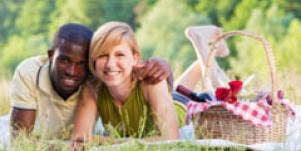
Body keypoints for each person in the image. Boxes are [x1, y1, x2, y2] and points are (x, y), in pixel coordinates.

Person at [10, 23, 172, 139]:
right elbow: (79, 140)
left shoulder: (146, 81)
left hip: (174, 105)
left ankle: (197, 63)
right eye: (64, 60)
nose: (71, 71)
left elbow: (171, 137)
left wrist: (164, 65)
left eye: (81, 64)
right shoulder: (30, 73)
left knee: (184, 96)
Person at [71, 21, 180, 143]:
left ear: (135, 58)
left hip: (181, 107)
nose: (110, 64)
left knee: (185, 89)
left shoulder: (151, 83)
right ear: (93, 60)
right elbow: (79, 139)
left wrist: (109, 142)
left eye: (120, 55)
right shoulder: (92, 89)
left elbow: (171, 138)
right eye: (102, 55)